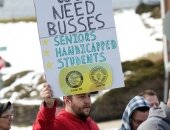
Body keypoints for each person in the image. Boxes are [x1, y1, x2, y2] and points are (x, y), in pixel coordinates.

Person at [33, 83, 99, 130]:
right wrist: (49, 105)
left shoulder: (91, 123)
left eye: (89, 96)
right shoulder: (59, 124)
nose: (88, 101)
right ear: (67, 100)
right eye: (81, 96)